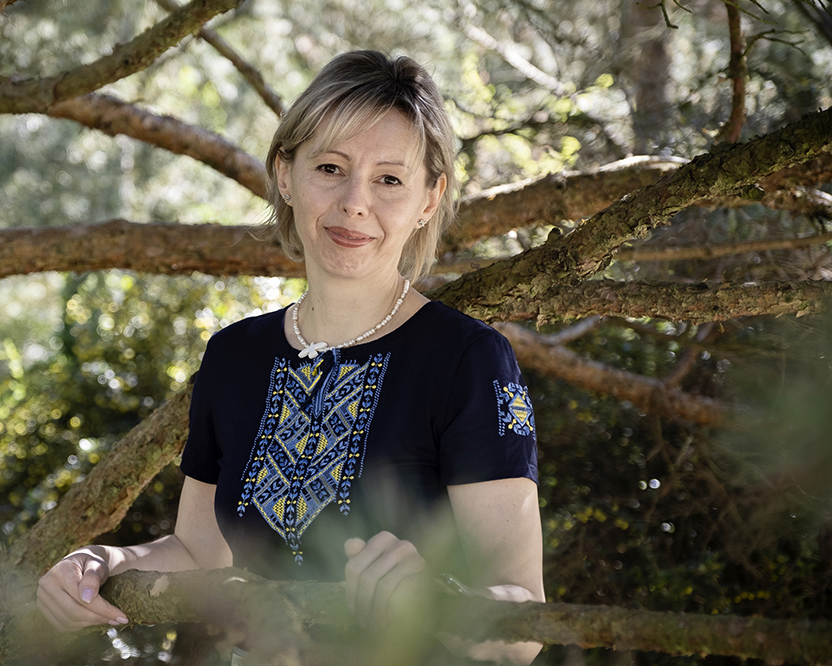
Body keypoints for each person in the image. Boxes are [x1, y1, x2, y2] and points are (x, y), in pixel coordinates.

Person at [37, 50, 544, 663]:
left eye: (389, 179)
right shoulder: (233, 357)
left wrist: (438, 598)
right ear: (285, 173)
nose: (355, 202)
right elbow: (200, 552)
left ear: (429, 200)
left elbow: (525, 623)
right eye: (330, 167)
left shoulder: (467, 360)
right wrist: (104, 560)